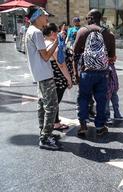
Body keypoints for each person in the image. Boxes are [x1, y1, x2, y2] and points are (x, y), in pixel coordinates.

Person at [73, 9, 116, 137]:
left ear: (91, 18)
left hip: (86, 72)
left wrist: (76, 73)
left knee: (83, 98)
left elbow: (74, 53)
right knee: (101, 100)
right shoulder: (108, 34)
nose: (86, 20)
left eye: (87, 18)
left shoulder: (82, 31)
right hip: (103, 73)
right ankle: (100, 126)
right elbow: (112, 57)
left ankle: (83, 126)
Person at [25, 7, 63, 150]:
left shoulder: (30, 31)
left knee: (42, 105)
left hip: (39, 74)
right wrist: (57, 42)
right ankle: (45, 138)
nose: (47, 19)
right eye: (44, 16)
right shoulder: (36, 33)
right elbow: (46, 56)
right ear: (37, 17)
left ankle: (43, 132)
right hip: (45, 75)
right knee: (52, 107)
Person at [43, 23, 73, 130]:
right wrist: (69, 79)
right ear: (52, 33)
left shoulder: (44, 42)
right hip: (58, 77)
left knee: (53, 100)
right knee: (56, 101)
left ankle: (55, 121)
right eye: (57, 32)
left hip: (50, 76)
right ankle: (55, 123)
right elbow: (61, 64)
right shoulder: (52, 45)